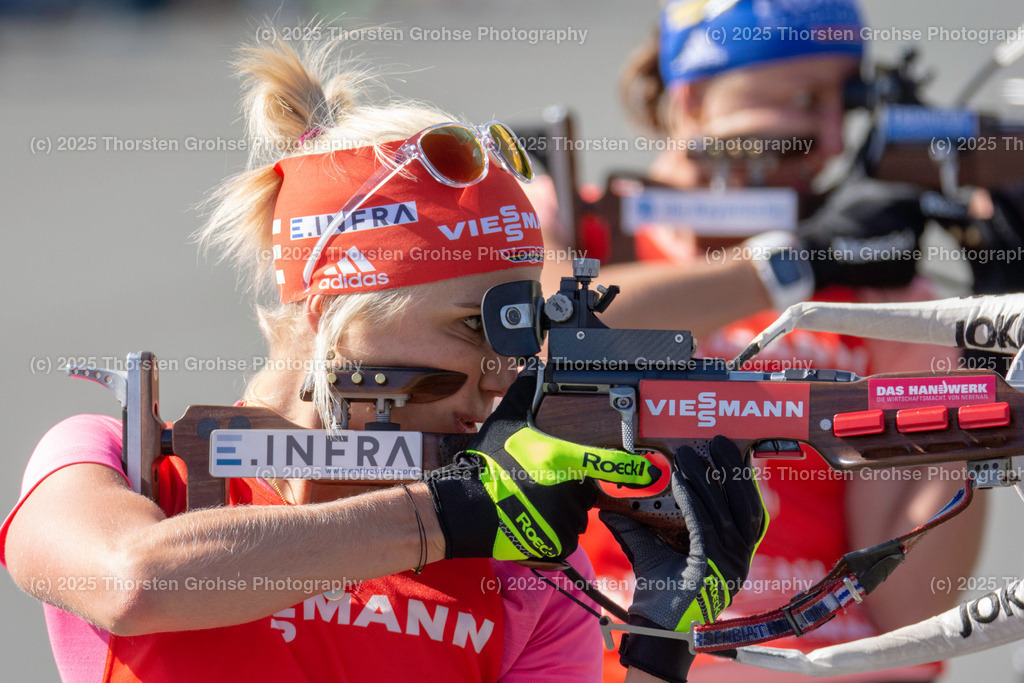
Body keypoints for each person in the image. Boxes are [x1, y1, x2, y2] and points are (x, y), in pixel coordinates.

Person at [0, 32, 768, 683]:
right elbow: (134, 582)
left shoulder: (528, 575)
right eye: (473, 327)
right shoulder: (118, 461)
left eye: (517, 331)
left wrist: (656, 647)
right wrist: (444, 515)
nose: (503, 372)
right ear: (327, 306)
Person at [557, 1, 989, 681]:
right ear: (694, 99)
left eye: (841, 104)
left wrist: (986, 340)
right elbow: (554, 338)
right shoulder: (583, 231)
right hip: (623, 657)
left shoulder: (885, 291)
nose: (831, 139)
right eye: (801, 100)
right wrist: (794, 263)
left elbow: (909, 610)